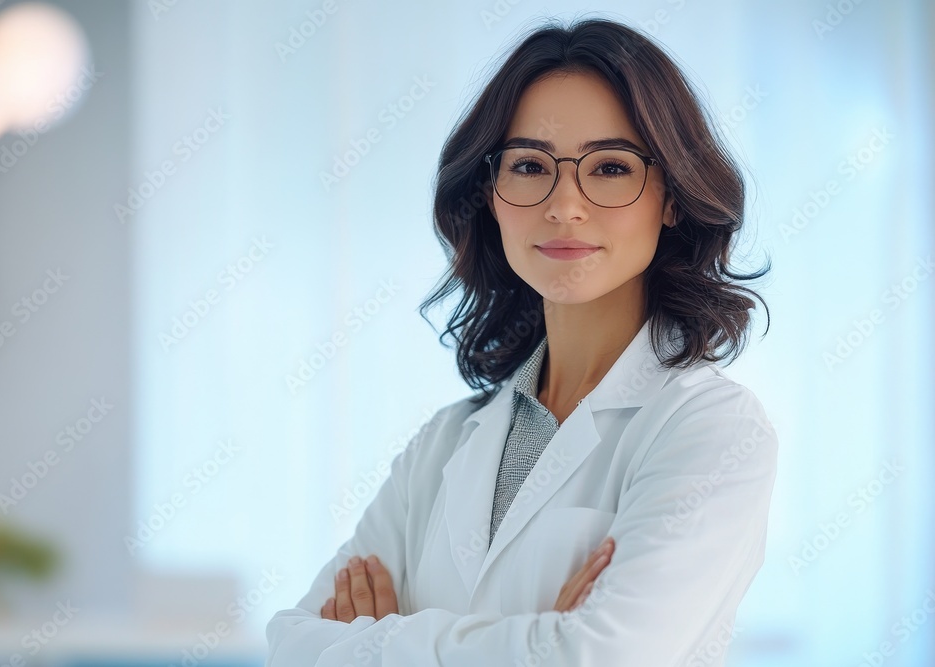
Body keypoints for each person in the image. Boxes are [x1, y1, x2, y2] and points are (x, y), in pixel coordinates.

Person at [265, 15, 777, 666]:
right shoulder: (445, 444)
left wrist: (384, 640)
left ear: (670, 196)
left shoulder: (711, 430)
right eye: (531, 165)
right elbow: (290, 646)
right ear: (491, 195)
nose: (565, 205)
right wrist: (538, 635)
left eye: (611, 167)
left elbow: (603, 656)